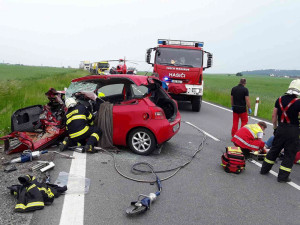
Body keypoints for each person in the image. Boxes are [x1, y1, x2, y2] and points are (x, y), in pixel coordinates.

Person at [260, 79, 300, 182]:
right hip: (293, 131)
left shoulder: (279, 99)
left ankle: (264, 170)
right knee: (289, 154)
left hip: (281, 128)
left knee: (274, 150)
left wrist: (275, 128)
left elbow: (274, 116)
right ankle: (282, 177)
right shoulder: (298, 102)